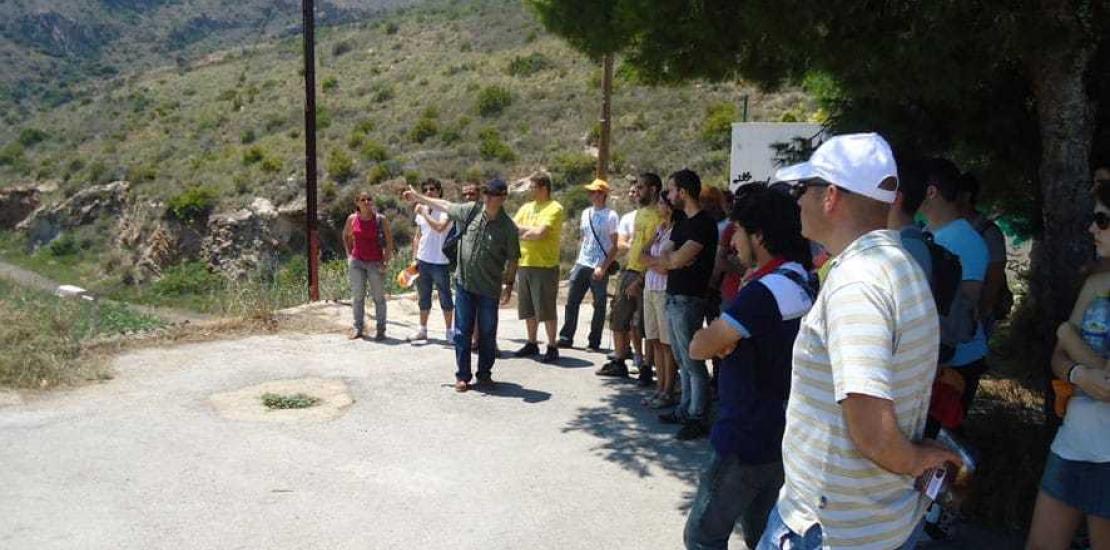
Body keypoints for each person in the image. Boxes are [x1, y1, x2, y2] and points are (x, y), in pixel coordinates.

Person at [759, 133, 959, 550]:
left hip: (827, 529)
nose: (797, 201)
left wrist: (919, 460)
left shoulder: (857, 284)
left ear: (830, 197)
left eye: (803, 190)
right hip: (879, 521)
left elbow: (871, 427)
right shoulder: (900, 266)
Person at [684, 183, 815, 550]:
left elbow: (699, 346)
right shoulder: (802, 278)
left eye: (739, 231)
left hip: (744, 435)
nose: (732, 241)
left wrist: (717, 338)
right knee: (762, 533)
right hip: (782, 432)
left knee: (702, 536)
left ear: (758, 235)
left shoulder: (765, 292)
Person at [1026, 177, 1110, 550]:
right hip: (1073, 443)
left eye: (1103, 221)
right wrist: (1077, 371)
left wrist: (1068, 335)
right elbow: (1057, 360)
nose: (1093, 228)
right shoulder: (1096, 284)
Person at [402, 179, 519, 393]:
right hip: (464, 284)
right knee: (461, 332)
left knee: (487, 332)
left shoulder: (508, 227)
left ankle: (484, 374)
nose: (487, 197)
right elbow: (445, 205)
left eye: (492, 194)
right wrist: (418, 197)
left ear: (502, 197)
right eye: (486, 193)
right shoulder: (471, 211)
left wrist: (508, 285)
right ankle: (463, 376)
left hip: (489, 288)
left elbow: (513, 259)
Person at [644, 168, 718, 440]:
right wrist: (669, 259)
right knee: (681, 357)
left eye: (672, 189)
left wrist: (668, 259)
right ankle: (686, 409)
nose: (669, 194)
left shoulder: (702, 224)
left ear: (683, 192)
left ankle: (698, 415)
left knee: (693, 359)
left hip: (689, 298)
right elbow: (664, 255)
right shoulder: (684, 224)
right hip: (673, 295)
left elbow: (671, 261)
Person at [917, 158, 991, 411]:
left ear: (931, 191)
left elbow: (968, 303)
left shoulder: (964, 240)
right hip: (936, 359)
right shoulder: (928, 232)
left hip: (955, 363)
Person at [597, 173, 662, 378]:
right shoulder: (640, 213)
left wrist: (641, 277)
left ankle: (646, 366)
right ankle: (619, 359)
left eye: (641, 188)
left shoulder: (660, 215)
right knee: (618, 316)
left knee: (645, 324)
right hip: (629, 269)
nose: (637, 192)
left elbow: (656, 248)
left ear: (653, 189)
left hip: (647, 272)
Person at [558, 178, 619, 351]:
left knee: (599, 304)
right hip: (583, 262)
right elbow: (583, 240)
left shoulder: (611, 216)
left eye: (594, 192)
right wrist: (576, 262)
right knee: (572, 301)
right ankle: (566, 336)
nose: (590, 194)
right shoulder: (586, 213)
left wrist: (603, 266)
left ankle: (594, 341)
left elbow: (615, 245)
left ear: (602, 194)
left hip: (600, 263)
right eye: (590, 192)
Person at [512, 172, 566, 364]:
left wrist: (524, 231)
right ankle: (532, 342)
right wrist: (528, 232)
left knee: (546, 308)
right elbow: (513, 228)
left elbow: (540, 233)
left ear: (543, 188)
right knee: (528, 307)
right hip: (525, 262)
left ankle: (552, 346)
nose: (530, 191)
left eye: (533, 187)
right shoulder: (526, 207)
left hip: (544, 265)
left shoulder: (554, 208)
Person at [956, 172, 1011, 333]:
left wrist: (981, 313)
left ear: (966, 196)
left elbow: (995, 276)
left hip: (979, 316)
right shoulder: (954, 228)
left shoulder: (988, 232)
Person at [640, 192, 678, 409]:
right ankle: (659, 388)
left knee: (666, 343)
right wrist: (655, 262)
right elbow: (642, 255)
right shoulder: (659, 230)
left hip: (663, 290)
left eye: (662, 203)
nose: (659, 207)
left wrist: (652, 262)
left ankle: (668, 390)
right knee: (654, 340)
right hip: (650, 287)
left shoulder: (675, 232)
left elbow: (666, 268)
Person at [408, 178, 454, 343]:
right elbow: (418, 236)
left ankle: (450, 331)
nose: (429, 192)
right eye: (425, 189)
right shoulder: (422, 211)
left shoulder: (446, 210)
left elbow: (440, 228)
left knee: (445, 297)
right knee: (423, 296)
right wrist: (414, 260)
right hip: (423, 260)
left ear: (439, 191)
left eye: (432, 189)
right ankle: (422, 329)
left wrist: (424, 213)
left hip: (440, 261)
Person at [344, 190, 394, 341]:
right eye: (363, 199)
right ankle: (358, 327)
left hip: (375, 262)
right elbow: (346, 235)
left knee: (378, 297)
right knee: (358, 296)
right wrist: (348, 255)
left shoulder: (380, 219)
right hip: (357, 261)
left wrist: (385, 261)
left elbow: (389, 241)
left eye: (369, 199)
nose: (366, 202)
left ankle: (381, 329)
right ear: (357, 202)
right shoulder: (352, 219)